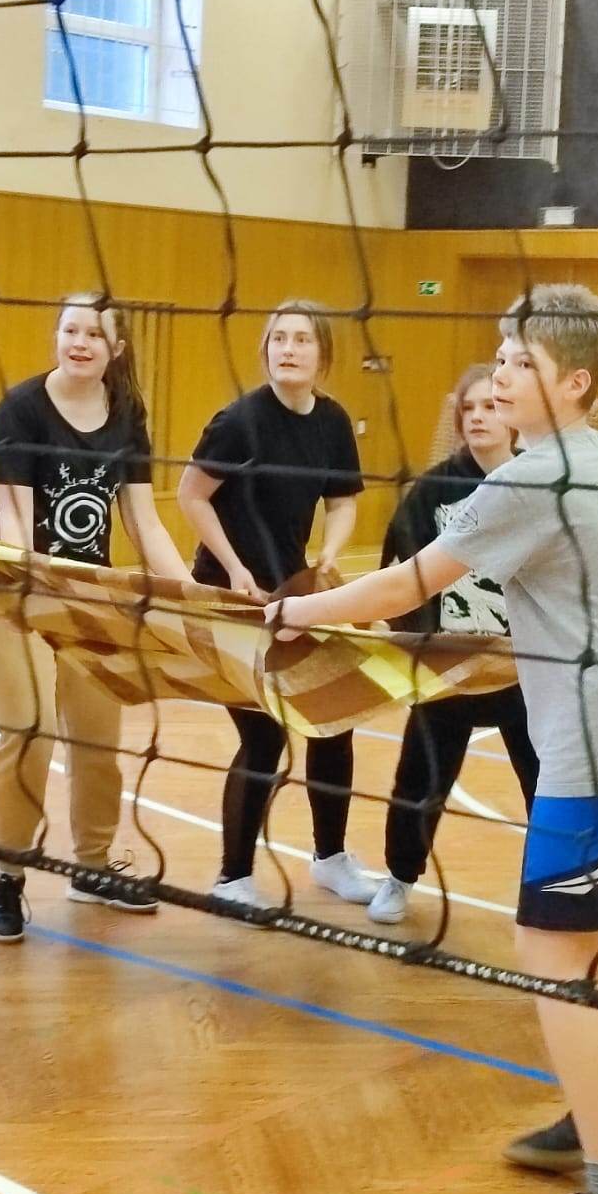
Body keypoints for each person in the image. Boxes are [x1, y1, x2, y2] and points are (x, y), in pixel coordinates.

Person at [271, 284, 598, 1194]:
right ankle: (593, 1116)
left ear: (574, 381)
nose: (500, 374)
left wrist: (298, 611)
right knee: (578, 936)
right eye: (500, 356)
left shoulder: (538, 475)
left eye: (521, 362)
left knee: (549, 945)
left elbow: (406, 584)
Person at [0, 294, 193, 943]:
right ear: (57, 337)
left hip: (89, 597)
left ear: (115, 349)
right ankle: (8, 876)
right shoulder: (19, 409)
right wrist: (37, 598)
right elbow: (15, 526)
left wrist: (190, 597)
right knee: (31, 733)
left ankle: (91, 867)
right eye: (70, 329)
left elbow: (143, 521)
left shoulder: (126, 413)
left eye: (95, 333)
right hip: (10, 592)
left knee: (98, 739)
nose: (80, 341)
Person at [176, 301, 383, 911]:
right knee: (264, 736)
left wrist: (329, 554)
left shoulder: (332, 421)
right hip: (228, 598)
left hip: (292, 598)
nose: (288, 349)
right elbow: (192, 495)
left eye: (301, 339)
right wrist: (235, 567)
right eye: (279, 339)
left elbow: (342, 500)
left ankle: (331, 859)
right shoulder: (239, 421)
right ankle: (232, 879)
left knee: (334, 717)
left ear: (323, 354)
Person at [370, 361, 537, 925]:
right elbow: (399, 569)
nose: (479, 417)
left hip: (523, 669)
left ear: (512, 414)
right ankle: (399, 876)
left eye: (490, 405)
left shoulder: (536, 482)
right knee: (420, 779)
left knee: (548, 784)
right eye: (469, 408)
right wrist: (418, 640)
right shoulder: (434, 490)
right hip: (447, 667)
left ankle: (550, 889)